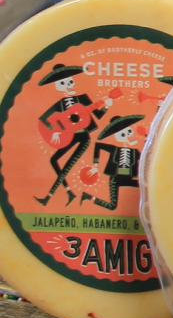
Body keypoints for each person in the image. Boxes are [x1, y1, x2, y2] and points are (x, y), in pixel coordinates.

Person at [34, 64, 113, 206]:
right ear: (58, 86)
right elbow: (44, 119)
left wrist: (106, 105)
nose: (68, 85)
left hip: (83, 137)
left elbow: (98, 115)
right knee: (54, 160)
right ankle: (69, 191)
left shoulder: (82, 99)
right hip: (66, 137)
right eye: (63, 83)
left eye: (70, 81)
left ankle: (49, 197)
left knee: (67, 166)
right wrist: (55, 131)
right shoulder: (60, 104)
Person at [79, 114, 145, 211]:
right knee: (112, 206)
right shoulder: (114, 150)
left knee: (146, 187)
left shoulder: (134, 152)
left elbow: (145, 160)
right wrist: (96, 165)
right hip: (115, 178)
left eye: (129, 132)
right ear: (116, 137)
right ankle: (89, 197)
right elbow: (98, 146)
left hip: (128, 178)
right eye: (122, 135)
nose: (127, 135)